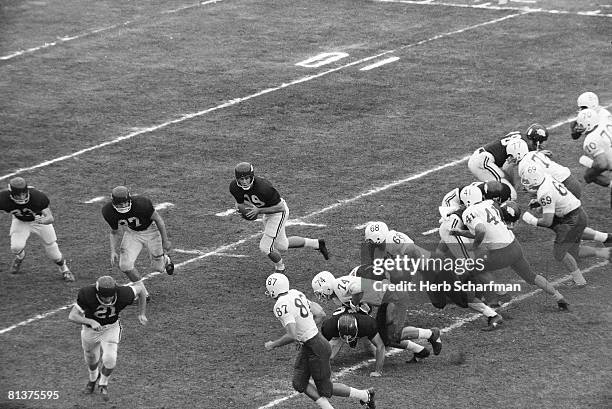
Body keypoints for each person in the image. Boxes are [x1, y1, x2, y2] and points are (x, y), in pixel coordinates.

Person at [264, 273, 376, 409]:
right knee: (299, 383)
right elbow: (320, 314)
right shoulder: (295, 293)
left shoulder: (280, 305)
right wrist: (306, 331)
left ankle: (365, 395)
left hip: (316, 347)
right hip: (311, 343)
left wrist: (273, 344)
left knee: (326, 389)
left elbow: (292, 335)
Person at [451, 185, 570, 310]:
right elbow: (484, 229)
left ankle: (496, 299)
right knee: (531, 276)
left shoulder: (468, 213)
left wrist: (474, 246)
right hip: (514, 245)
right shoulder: (490, 203)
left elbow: (480, 230)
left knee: (475, 269)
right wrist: (460, 232)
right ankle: (559, 297)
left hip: (501, 253)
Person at [311, 269, 442, 362]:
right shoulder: (336, 295)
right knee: (383, 335)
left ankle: (431, 334)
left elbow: (358, 290)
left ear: (326, 287)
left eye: (320, 292)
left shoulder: (339, 286)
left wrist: (353, 304)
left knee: (390, 336)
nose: (320, 296)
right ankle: (420, 351)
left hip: (392, 298)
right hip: (385, 300)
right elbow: (365, 306)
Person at [519, 164, 611, 287]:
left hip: (571, 219)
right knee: (574, 251)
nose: (526, 185)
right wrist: (541, 204)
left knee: (559, 253)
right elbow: (553, 198)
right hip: (577, 213)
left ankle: (579, 281)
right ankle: (607, 252)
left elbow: (548, 222)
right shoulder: (546, 177)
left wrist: (531, 220)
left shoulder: (544, 193)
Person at [230, 162, 328, 273]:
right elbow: (240, 204)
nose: (244, 181)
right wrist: (243, 211)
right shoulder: (234, 187)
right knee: (282, 245)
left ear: (252, 176)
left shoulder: (264, 187)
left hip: (278, 212)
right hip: (268, 212)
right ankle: (317, 243)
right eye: (241, 179)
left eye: (247, 178)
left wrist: (258, 211)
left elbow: (280, 207)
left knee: (265, 247)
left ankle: (280, 269)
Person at [68, 275, 147, 401]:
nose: (108, 300)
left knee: (110, 358)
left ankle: (103, 383)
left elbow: (141, 290)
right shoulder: (87, 293)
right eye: (104, 297)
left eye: (110, 296)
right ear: (97, 293)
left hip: (111, 328)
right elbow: (72, 316)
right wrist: (90, 321)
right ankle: (93, 378)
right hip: (90, 330)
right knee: (91, 358)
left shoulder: (124, 293)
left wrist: (142, 313)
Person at [101, 186, 174, 299]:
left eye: (125, 203)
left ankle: (165, 260)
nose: (124, 206)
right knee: (125, 265)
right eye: (120, 205)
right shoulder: (108, 211)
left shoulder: (142, 203)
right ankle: (143, 293)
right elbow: (114, 232)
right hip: (132, 233)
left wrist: (165, 240)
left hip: (151, 230)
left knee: (158, 268)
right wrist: (113, 251)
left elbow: (158, 220)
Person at [0, 177, 74, 281]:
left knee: (53, 251)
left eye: (23, 194)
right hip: (20, 221)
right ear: (11, 193)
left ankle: (64, 269)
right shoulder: (3, 198)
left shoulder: (37, 197)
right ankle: (20, 257)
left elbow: (50, 218)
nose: (22, 197)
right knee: (16, 247)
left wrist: (43, 221)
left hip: (39, 221)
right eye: (18, 195)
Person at [467, 130, 539, 200]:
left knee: (507, 179)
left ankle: (477, 191)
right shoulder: (520, 145)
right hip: (482, 162)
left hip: (482, 158)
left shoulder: (519, 137)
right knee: (511, 194)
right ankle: (471, 192)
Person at [320, 310, 386, 377]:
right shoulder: (329, 327)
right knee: (329, 355)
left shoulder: (368, 324)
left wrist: (378, 371)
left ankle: (367, 343)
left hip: (362, 331)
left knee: (376, 352)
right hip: (339, 335)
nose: (348, 339)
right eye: (346, 336)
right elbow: (320, 348)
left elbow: (380, 346)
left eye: (350, 336)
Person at [571, 109, 612, 207]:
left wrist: (588, 163)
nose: (578, 127)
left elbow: (602, 164)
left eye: (581, 125)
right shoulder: (605, 122)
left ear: (589, 124)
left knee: (589, 175)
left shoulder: (590, 140)